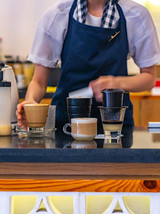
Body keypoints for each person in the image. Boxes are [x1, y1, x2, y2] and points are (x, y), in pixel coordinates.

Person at [16, 0, 160, 132]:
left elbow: (149, 78)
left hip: (115, 126)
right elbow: (38, 82)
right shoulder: (56, 15)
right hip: (66, 126)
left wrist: (117, 83)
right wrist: (30, 102)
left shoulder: (136, 16)